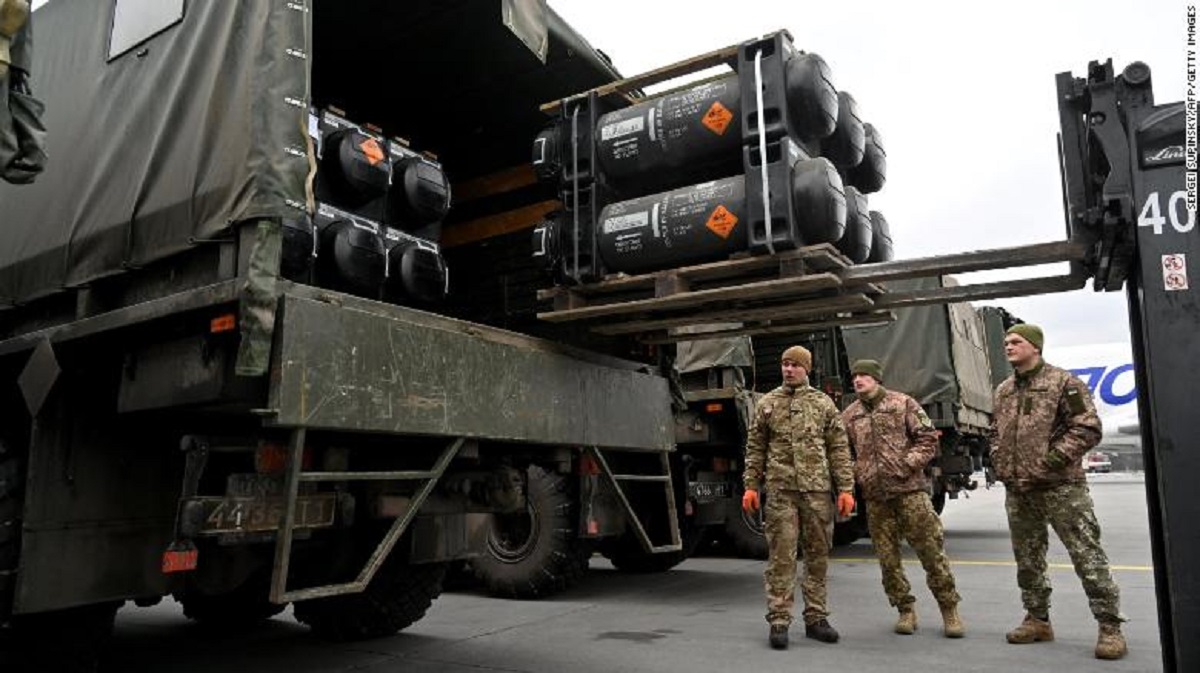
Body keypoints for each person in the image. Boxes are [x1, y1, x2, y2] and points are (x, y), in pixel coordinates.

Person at [990, 324, 1126, 660]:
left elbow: (1088, 427)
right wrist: (999, 460)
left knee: (1087, 556)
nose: (1008, 346)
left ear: (1034, 347)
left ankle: (1110, 627)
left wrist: (1051, 460)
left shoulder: (1063, 383)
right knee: (1028, 560)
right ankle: (1038, 619)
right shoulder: (1004, 389)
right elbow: (995, 432)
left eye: (1016, 342)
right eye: (1006, 342)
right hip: (1019, 490)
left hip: (1061, 487)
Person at [742, 345, 855, 650]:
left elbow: (839, 450)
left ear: (806, 368)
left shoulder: (823, 404)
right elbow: (755, 449)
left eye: (794, 365)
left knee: (818, 556)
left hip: (817, 492)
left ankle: (816, 618)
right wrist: (751, 485)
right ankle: (779, 620)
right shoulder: (767, 404)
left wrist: (846, 489)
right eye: (784, 364)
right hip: (781, 492)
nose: (788, 369)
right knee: (782, 557)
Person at [840, 359, 964, 638]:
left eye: (864, 376)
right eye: (855, 376)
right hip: (876, 498)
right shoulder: (850, 415)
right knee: (888, 560)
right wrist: (856, 472)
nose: (858, 380)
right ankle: (905, 610)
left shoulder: (902, 403)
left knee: (931, 552)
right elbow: (841, 451)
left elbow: (928, 438)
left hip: (910, 493)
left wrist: (908, 463)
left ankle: (949, 609)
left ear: (877, 379)